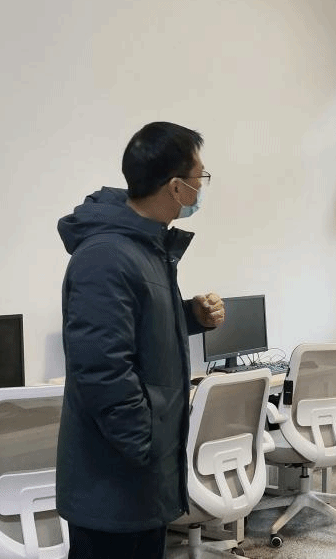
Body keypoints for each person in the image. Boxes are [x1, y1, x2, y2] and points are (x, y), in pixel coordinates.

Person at [56, 121, 226, 559]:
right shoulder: (106, 257)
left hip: (141, 478)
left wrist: (190, 316)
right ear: (176, 188)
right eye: (200, 178)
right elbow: (102, 368)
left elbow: (137, 328)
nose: (201, 189)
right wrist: (144, 444)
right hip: (114, 480)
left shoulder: (145, 248)